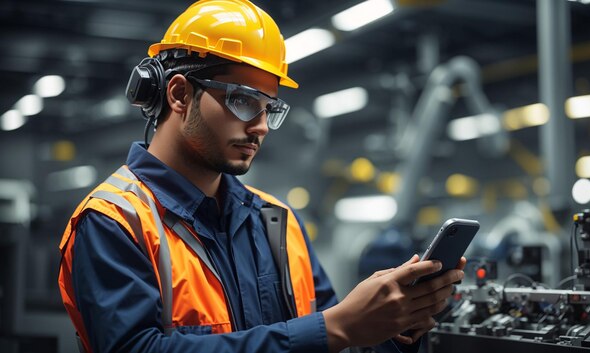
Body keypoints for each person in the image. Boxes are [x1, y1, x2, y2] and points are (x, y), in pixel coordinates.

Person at [57, 1, 465, 352]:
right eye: (242, 100)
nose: (262, 126)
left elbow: (328, 339)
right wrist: (335, 327)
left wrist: (391, 328)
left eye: (269, 107)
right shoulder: (114, 219)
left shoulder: (277, 222)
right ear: (179, 95)